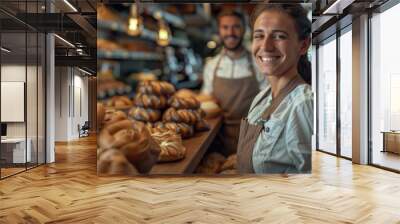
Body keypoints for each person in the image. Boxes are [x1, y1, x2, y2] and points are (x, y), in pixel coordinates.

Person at [237, 4, 313, 174]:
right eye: (259, 36)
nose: (266, 46)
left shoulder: (304, 104)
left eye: (279, 36)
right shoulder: (261, 98)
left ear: (303, 45)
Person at [201, 9, 268, 156]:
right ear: (219, 30)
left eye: (236, 27)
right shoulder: (211, 66)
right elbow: (206, 101)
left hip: (254, 139)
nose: (230, 32)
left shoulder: (258, 62)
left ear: (244, 29)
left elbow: (268, 102)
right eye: (225, 27)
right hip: (219, 141)